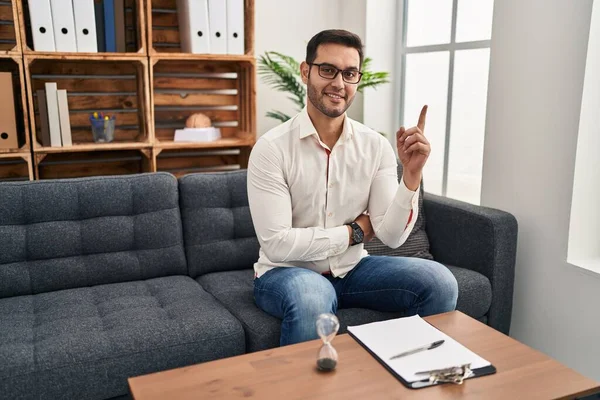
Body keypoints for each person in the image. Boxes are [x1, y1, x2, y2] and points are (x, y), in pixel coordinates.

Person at [247, 29, 458, 346]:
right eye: (328, 70)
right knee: (312, 297)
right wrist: (353, 233)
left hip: (353, 269)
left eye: (349, 74)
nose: (338, 83)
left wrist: (411, 176)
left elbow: (390, 235)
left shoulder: (375, 146)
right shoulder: (272, 149)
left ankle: (407, 379)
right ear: (306, 72)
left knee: (439, 281)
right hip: (285, 273)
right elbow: (278, 244)